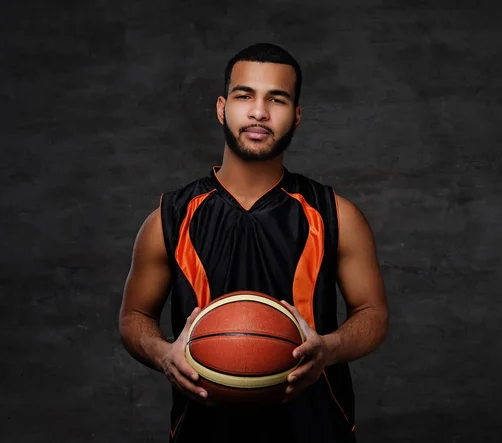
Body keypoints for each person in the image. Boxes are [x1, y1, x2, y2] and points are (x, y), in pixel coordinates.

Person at [118, 42, 389, 443]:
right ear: (221, 107)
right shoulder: (170, 217)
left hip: (314, 428)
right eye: (245, 95)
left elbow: (373, 314)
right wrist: (164, 354)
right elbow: (133, 317)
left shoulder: (335, 214)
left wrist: (327, 349)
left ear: (296, 117)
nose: (259, 111)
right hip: (204, 430)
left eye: (276, 99)